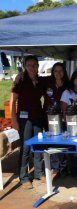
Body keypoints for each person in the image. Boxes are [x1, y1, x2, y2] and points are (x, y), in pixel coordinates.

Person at [10, 55, 45, 189]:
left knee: (37, 145)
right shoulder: (20, 80)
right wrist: (14, 119)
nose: (32, 67)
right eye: (29, 65)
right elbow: (13, 101)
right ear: (25, 66)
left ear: (38, 67)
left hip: (37, 117)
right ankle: (23, 176)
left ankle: (38, 172)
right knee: (25, 147)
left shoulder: (40, 81)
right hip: (24, 119)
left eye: (34, 65)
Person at [43, 62, 69, 179]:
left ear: (64, 72)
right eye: (56, 71)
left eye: (60, 71)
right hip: (49, 118)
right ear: (52, 72)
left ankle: (63, 167)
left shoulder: (67, 85)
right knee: (52, 141)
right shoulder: (47, 83)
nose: (58, 73)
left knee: (62, 141)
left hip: (63, 118)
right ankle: (55, 167)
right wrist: (20, 75)